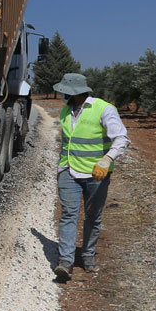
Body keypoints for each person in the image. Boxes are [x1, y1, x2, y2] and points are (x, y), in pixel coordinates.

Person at [53, 72, 130, 282]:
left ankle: (87, 255)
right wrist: (61, 168)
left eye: (64, 91)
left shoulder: (104, 109)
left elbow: (121, 138)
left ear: (75, 92)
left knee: (93, 216)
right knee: (69, 215)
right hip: (69, 171)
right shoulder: (66, 111)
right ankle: (66, 262)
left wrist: (106, 160)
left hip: (96, 174)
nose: (61, 94)